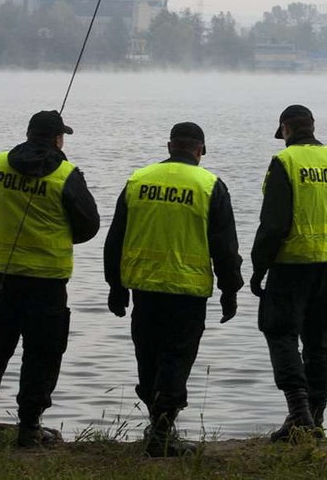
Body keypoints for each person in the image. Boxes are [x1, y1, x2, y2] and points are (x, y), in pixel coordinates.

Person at [0, 110, 100, 447]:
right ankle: (29, 426)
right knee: (43, 353)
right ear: (58, 139)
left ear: (29, 133)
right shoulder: (66, 174)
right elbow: (89, 225)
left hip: (3, 274)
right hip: (48, 279)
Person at [104, 122, 243, 457]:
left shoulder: (139, 181)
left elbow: (115, 240)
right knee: (176, 357)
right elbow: (225, 247)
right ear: (201, 150)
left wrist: (115, 286)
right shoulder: (209, 185)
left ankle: (158, 426)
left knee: (148, 354)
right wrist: (230, 290)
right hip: (187, 291)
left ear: (169, 146)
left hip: (145, 288)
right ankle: (162, 431)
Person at [250, 104, 327, 442]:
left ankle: (300, 415)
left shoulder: (285, 162)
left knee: (279, 331)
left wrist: (258, 269)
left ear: (285, 129)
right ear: (313, 126)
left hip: (291, 265)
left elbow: (273, 225)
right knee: (318, 341)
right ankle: (316, 416)